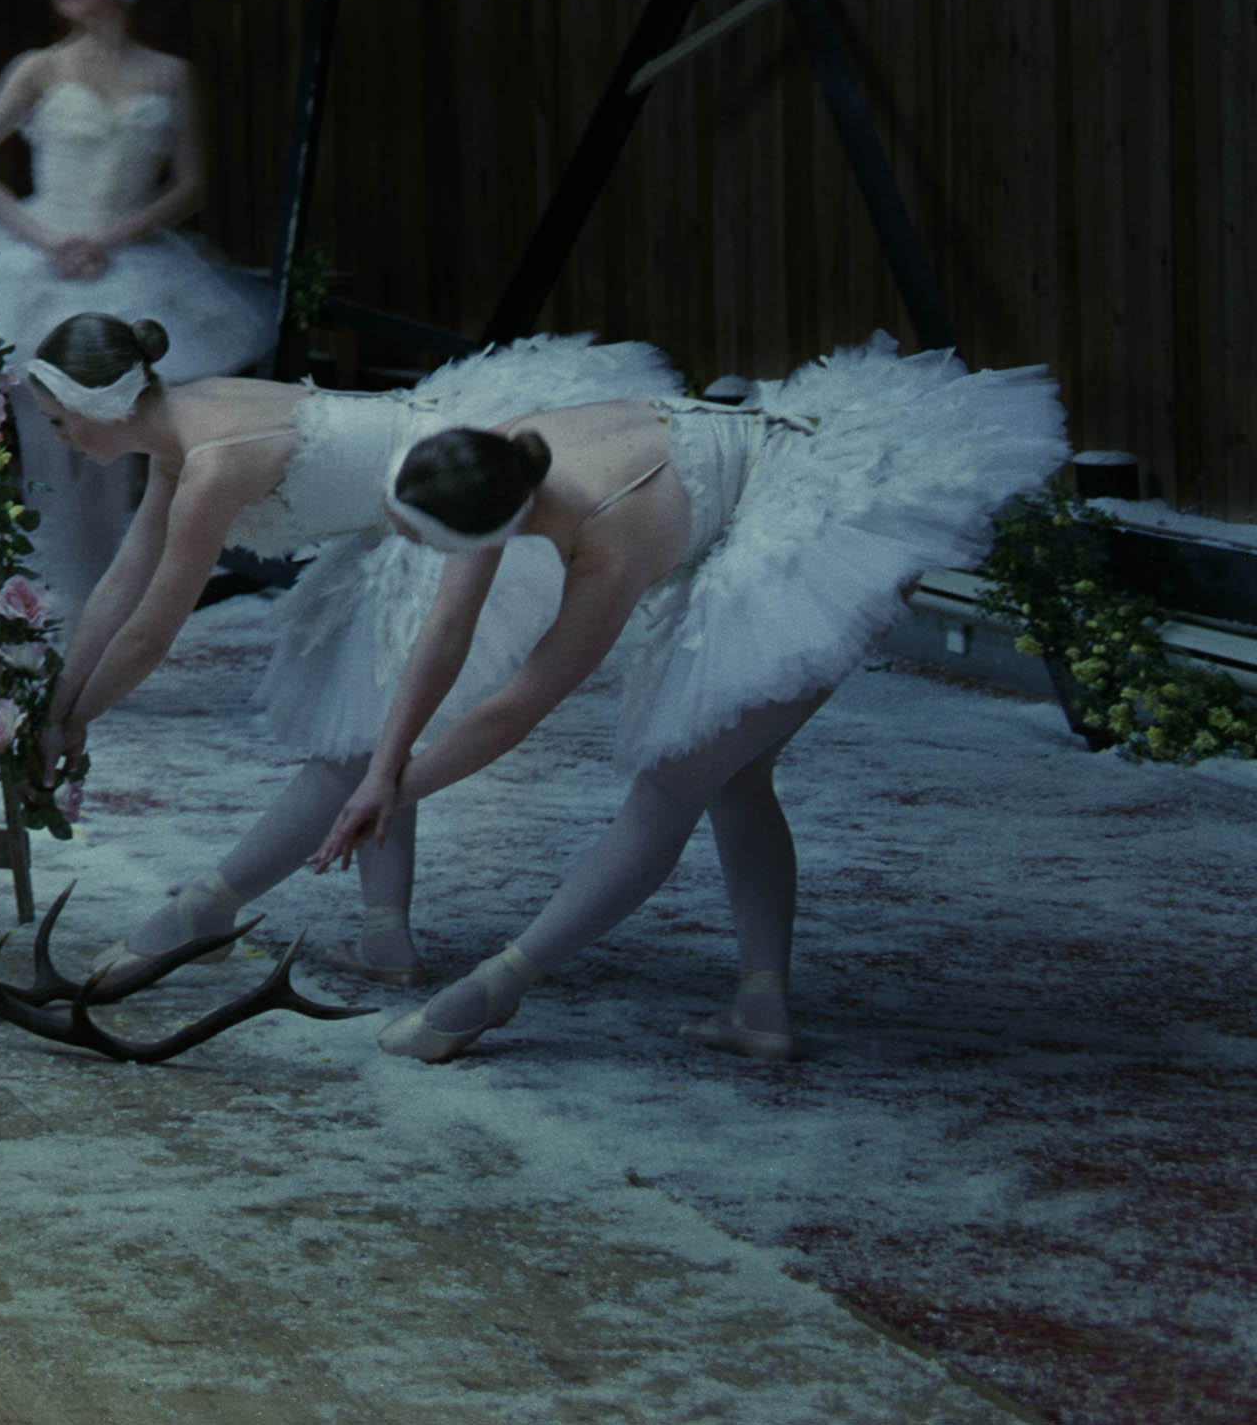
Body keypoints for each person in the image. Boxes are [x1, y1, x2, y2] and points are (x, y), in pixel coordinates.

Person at [317, 338, 1065, 1062]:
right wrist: (383, 771)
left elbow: (514, 710)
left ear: (488, 533)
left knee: (666, 789)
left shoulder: (608, 554)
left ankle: (491, 991)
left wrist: (397, 791)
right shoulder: (498, 454)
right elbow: (447, 627)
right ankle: (761, 1010)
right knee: (736, 774)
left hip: (822, 519)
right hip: (776, 484)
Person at [0, 311, 676, 986]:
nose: (61, 439)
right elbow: (122, 581)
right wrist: (59, 709)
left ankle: (205, 909)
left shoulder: (212, 464)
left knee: (357, 748)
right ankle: (385, 936)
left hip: (442, 501)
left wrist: (76, 719)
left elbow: (150, 632)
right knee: (366, 734)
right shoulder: (180, 430)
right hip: (388, 521)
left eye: (60, 421)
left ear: (101, 407)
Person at [0, 0, 279, 601]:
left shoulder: (170, 74)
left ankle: (112, 601)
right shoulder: (39, 68)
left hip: (132, 261)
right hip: (45, 261)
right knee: (49, 443)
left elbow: (192, 183)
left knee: (125, 439)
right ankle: (56, 602)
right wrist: (46, 238)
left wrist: (112, 236)